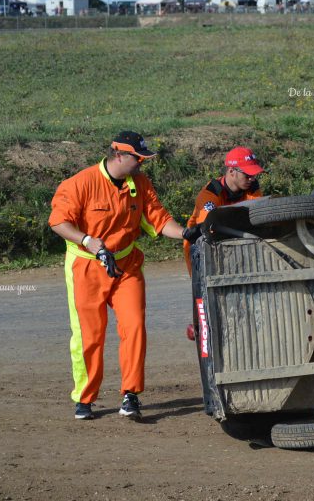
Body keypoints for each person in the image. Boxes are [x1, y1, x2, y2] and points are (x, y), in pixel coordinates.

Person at [49, 131, 202, 421]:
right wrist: (87, 241)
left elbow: (159, 219)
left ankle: (130, 394)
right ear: (119, 155)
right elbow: (58, 222)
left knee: (134, 328)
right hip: (87, 267)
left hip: (126, 265)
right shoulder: (80, 183)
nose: (142, 165)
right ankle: (85, 398)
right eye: (138, 159)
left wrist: (185, 233)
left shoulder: (140, 184)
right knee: (89, 337)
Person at [183, 146, 265, 273]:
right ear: (232, 171)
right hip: (200, 245)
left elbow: (259, 216)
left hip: (237, 240)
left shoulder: (252, 188)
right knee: (207, 289)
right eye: (248, 174)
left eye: (253, 174)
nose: (252, 179)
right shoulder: (210, 194)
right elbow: (208, 230)